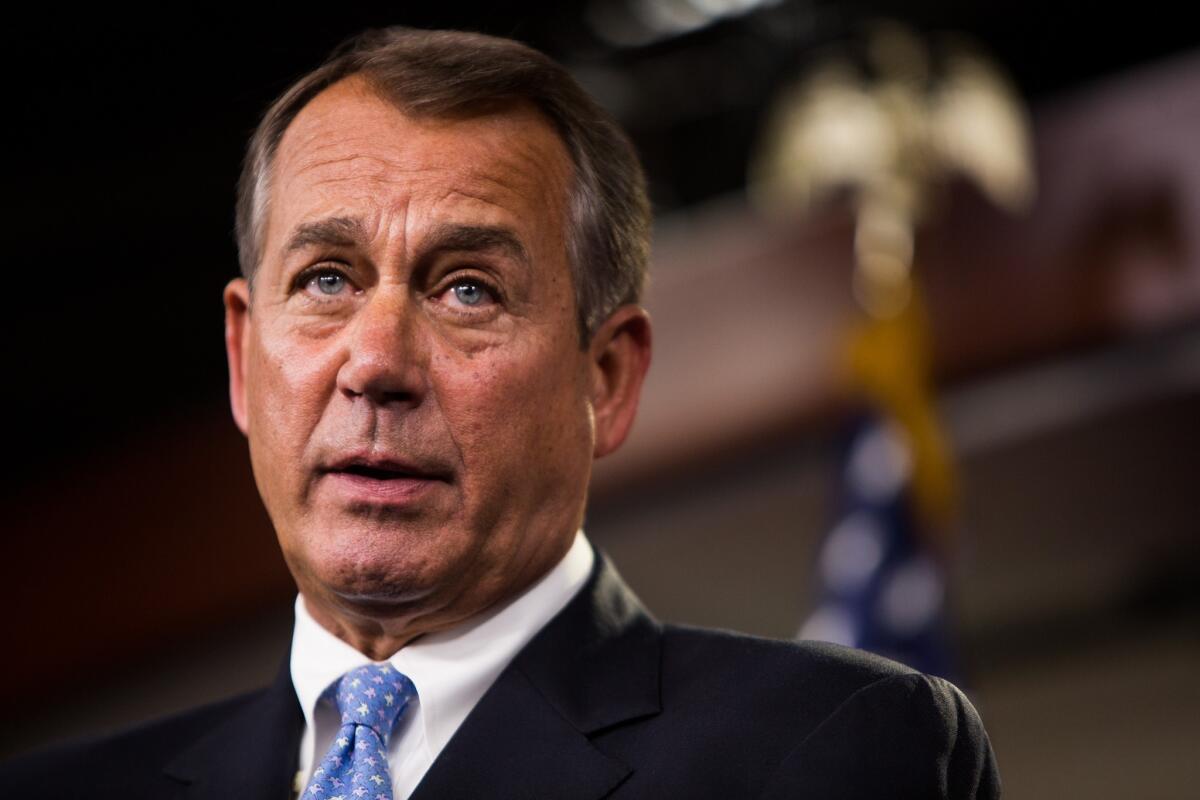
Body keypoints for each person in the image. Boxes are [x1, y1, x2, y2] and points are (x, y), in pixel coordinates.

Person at [0, 27, 999, 799]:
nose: (377, 363)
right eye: (328, 278)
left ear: (605, 377)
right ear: (240, 358)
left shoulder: (828, 749)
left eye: (467, 288)